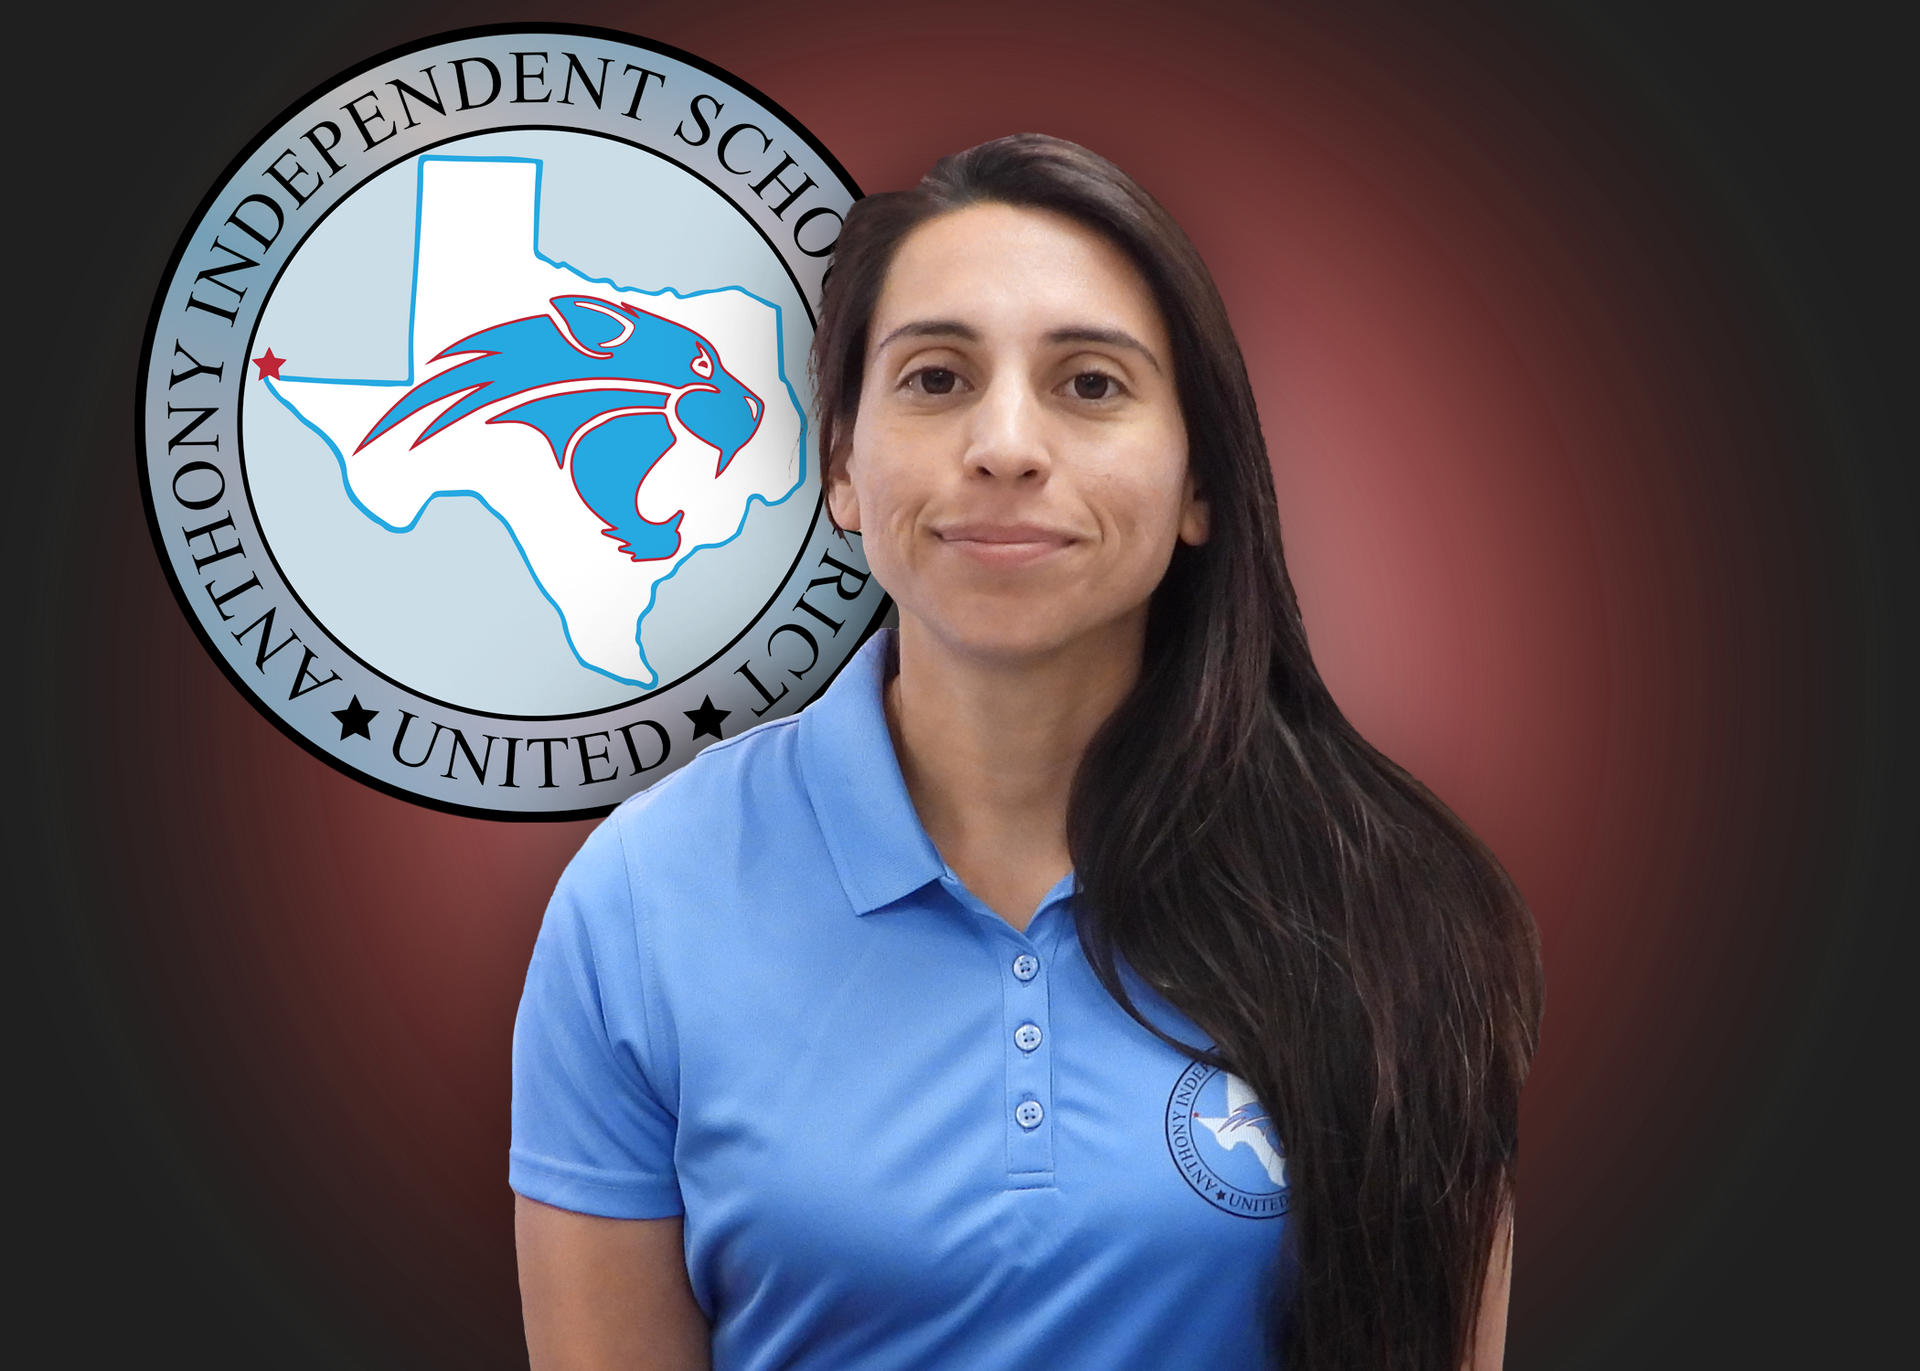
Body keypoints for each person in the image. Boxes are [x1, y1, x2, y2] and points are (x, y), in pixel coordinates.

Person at [510, 133, 1542, 1371]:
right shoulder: (641, 899)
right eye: (937, 379)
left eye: (1090, 385)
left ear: (1200, 482)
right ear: (842, 465)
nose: (1005, 444)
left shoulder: (1394, 900)